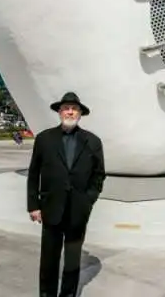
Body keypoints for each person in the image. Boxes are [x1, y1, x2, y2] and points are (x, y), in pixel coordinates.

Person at [27, 92, 106, 297]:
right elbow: (34, 173)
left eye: (74, 108)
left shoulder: (93, 141)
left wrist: (88, 200)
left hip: (77, 211)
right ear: (59, 112)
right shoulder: (44, 139)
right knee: (49, 260)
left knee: (72, 260)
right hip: (51, 208)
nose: (70, 111)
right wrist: (33, 205)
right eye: (66, 108)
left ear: (80, 114)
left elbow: (99, 175)